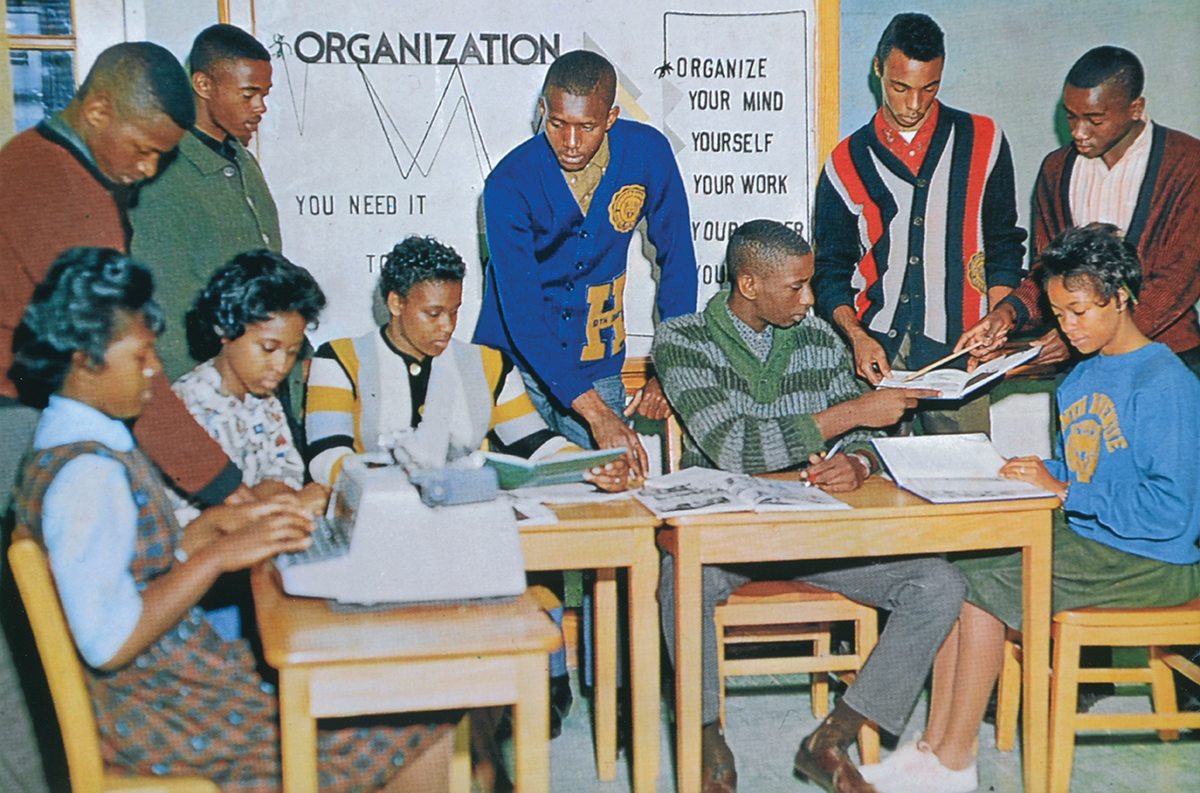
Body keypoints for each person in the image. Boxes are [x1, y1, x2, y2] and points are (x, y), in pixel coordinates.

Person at [9, 247, 454, 792]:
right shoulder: (87, 474)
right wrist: (219, 555)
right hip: (160, 713)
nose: (155, 370)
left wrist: (208, 531)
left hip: (163, 687)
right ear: (85, 361)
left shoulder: (70, 445)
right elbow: (109, 642)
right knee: (420, 717)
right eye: (141, 357)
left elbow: (131, 570)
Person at [863, 224, 1200, 793]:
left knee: (982, 584)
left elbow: (1174, 510)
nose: (1067, 327)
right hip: (1096, 541)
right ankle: (931, 750)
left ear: (1121, 297)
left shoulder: (1165, 381)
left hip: (1154, 562)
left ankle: (953, 762)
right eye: (1058, 314)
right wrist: (1031, 472)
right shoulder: (1080, 376)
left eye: (1079, 312)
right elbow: (1092, 468)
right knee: (954, 572)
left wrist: (1066, 491)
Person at [0, 42, 239, 792]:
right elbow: (134, 374)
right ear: (98, 108)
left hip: (28, 408)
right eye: (141, 150)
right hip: (15, 417)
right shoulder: (63, 190)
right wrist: (227, 489)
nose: (146, 169)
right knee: (31, 659)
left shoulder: (35, 157)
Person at [652, 219, 961, 793]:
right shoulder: (682, 339)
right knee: (679, 580)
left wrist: (860, 461)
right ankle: (707, 742)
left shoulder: (819, 339)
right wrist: (852, 415)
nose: (810, 299)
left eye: (809, 284)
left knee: (938, 583)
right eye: (796, 287)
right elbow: (733, 447)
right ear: (748, 284)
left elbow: (868, 437)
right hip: (724, 545)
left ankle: (831, 739)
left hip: (815, 539)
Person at [305, 235, 629, 741]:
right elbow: (326, 457)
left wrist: (587, 467)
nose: (447, 327)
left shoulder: (488, 364)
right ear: (396, 303)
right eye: (433, 313)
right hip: (384, 531)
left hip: (469, 529)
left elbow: (536, 443)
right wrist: (402, 486)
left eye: (455, 312)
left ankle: (539, 681)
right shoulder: (340, 359)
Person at [473, 49, 698, 479]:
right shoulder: (507, 183)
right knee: (524, 498)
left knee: (616, 485)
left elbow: (679, 263)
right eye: (558, 124)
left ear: (611, 117)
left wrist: (671, 366)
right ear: (543, 110)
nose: (571, 143)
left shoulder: (648, 153)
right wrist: (597, 415)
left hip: (596, 356)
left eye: (587, 127)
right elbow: (522, 314)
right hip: (514, 365)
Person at [812, 13, 1026, 434]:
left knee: (963, 469)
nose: (914, 104)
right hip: (875, 354)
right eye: (901, 87)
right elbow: (831, 271)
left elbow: (1004, 246)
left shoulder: (984, 139)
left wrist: (996, 324)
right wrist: (856, 337)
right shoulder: (844, 161)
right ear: (878, 69)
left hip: (962, 352)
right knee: (872, 467)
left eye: (929, 88)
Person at [957, 46, 1200, 378]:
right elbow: (1048, 270)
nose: (1078, 132)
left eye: (1094, 120)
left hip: (1167, 360)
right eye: (1071, 116)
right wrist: (1008, 313)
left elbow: (1177, 282)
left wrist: (1079, 335)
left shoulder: (1189, 164)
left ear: (1136, 108)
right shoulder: (1056, 169)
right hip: (1081, 369)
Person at [131, 23, 282, 384]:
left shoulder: (242, 160)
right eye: (248, 94)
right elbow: (165, 308)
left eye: (264, 94)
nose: (260, 107)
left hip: (259, 376)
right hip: (206, 384)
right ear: (203, 85)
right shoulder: (161, 173)